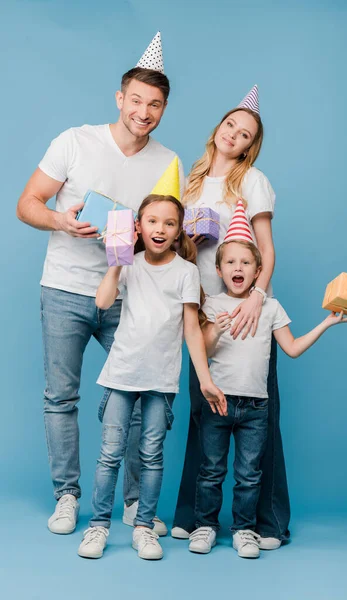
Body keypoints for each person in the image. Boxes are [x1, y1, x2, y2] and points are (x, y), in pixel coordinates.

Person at [16, 32, 183, 536]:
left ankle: (133, 503)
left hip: (130, 298)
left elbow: (167, 234)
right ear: (120, 98)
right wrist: (63, 222)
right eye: (136, 100)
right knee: (60, 397)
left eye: (155, 104)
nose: (144, 111)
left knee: (137, 398)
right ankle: (67, 497)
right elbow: (27, 204)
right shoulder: (75, 141)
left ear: (163, 108)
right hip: (65, 287)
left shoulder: (168, 163)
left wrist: (146, 238)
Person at [187, 214, 347, 559]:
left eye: (246, 262)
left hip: (256, 407)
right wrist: (216, 329)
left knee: (249, 474)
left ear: (258, 269)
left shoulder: (271, 307)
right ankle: (204, 525)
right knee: (210, 470)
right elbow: (200, 350)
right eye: (231, 262)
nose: (239, 267)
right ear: (219, 271)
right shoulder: (213, 305)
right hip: (218, 401)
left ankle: (243, 530)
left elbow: (292, 348)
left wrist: (328, 322)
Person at [77, 186, 226, 560]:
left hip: (161, 380)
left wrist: (206, 379)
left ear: (179, 231)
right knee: (109, 454)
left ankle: (144, 527)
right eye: (153, 221)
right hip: (121, 375)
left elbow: (191, 328)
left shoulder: (187, 272)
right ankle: (97, 527)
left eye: (170, 223)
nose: (161, 228)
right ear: (138, 227)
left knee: (151, 456)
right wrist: (116, 258)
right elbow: (102, 301)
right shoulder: (129, 264)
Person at [172, 85, 289, 549]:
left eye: (245, 135)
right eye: (230, 127)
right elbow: (178, 249)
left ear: (249, 146)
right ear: (218, 128)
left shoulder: (252, 180)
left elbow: (266, 248)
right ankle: (192, 514)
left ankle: (268, 522)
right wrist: (190, 241)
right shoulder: (189, 182)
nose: (234, 137)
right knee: (204, 410)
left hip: (246, 310)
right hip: (202, 308)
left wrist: (258, 295)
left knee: (260, 416)